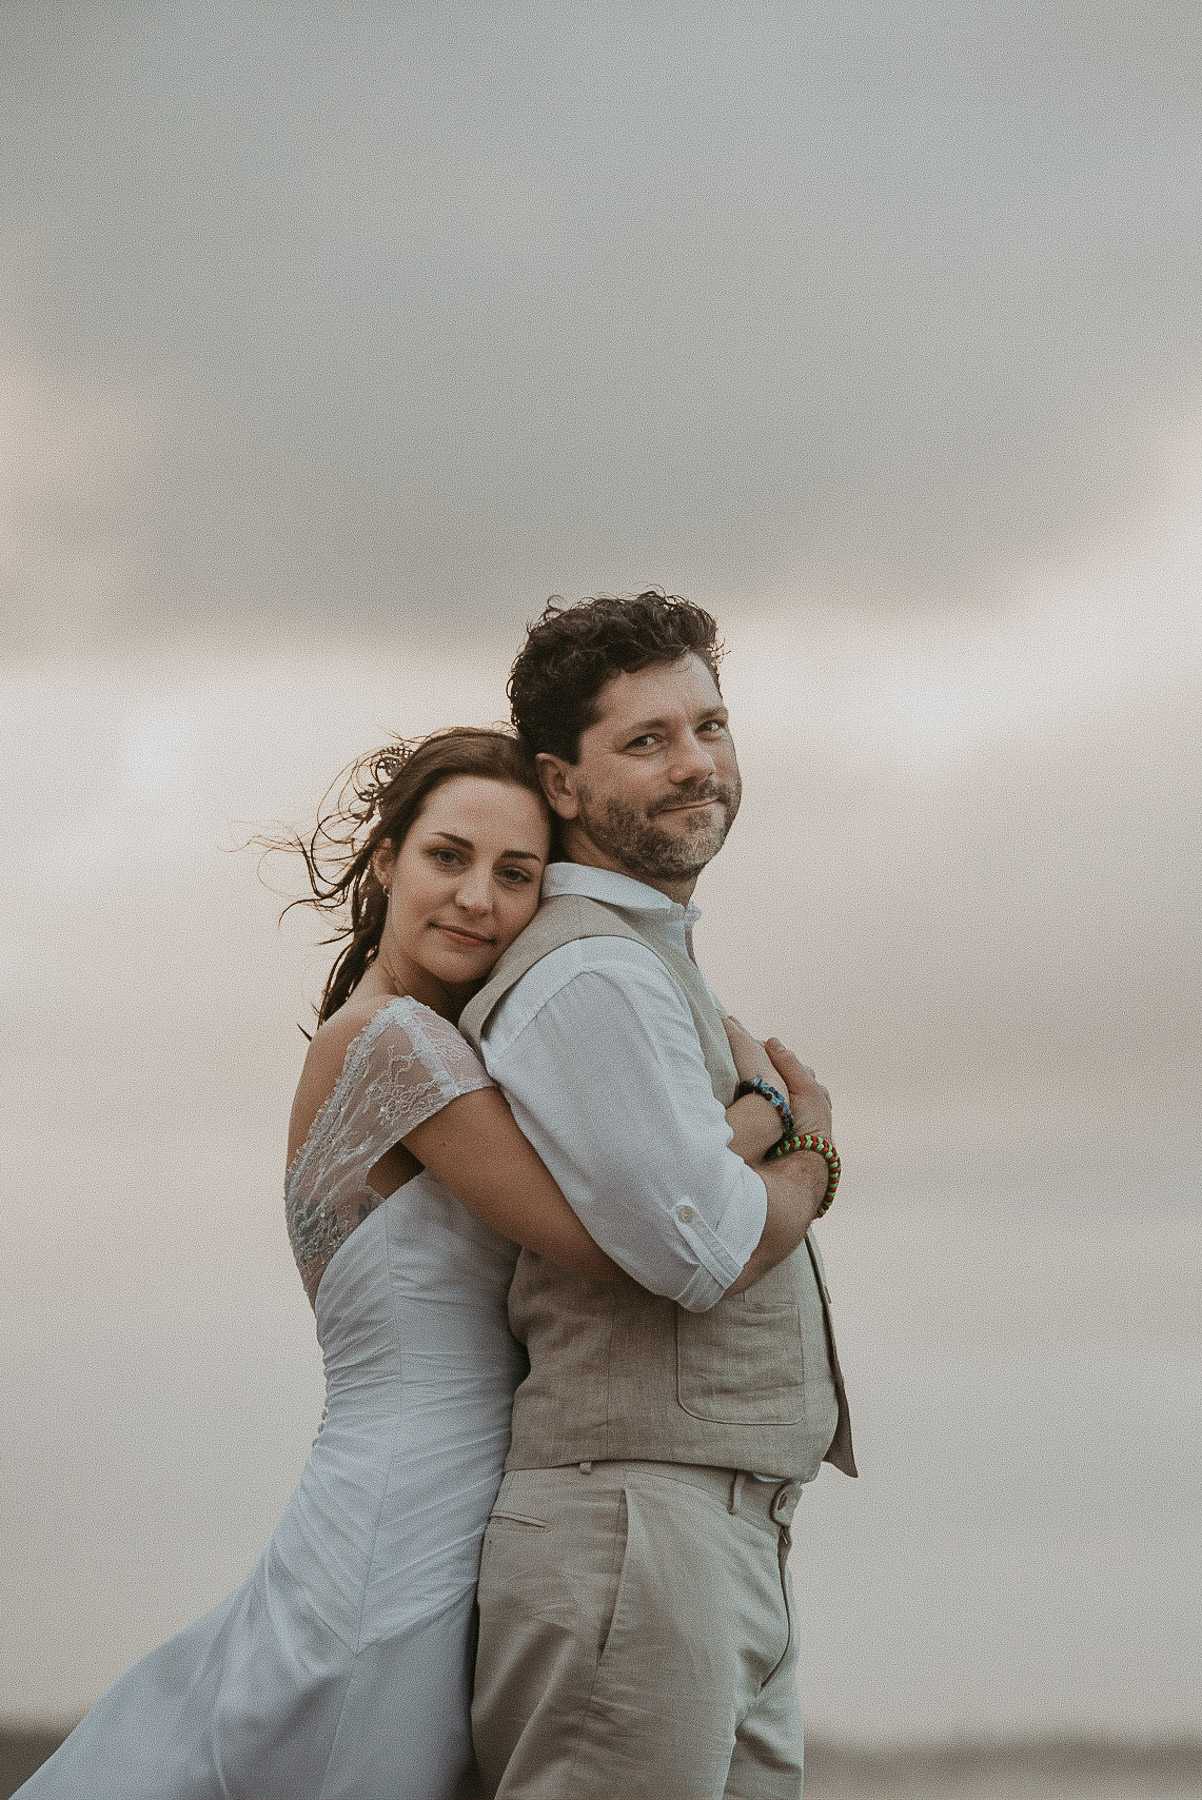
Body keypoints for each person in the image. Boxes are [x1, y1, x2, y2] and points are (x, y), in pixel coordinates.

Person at [17, 726, 803, 1800]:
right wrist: (782, 1125)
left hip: (440, 1492)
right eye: (448, 857)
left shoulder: (437, 1042)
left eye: (514, 874)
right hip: (407, 1507)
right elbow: (618, 1240)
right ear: (386, 860)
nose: (478, 898)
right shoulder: (398, 1047)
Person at [462, 592, 857, 1800]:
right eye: (646, 741)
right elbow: (701, 1247)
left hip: (707, 1536)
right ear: (562, 785)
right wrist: (811, 1153)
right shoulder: (588, 970)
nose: (697, 764)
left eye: (709, 727)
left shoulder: (644, 960)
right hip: (632, 1535)